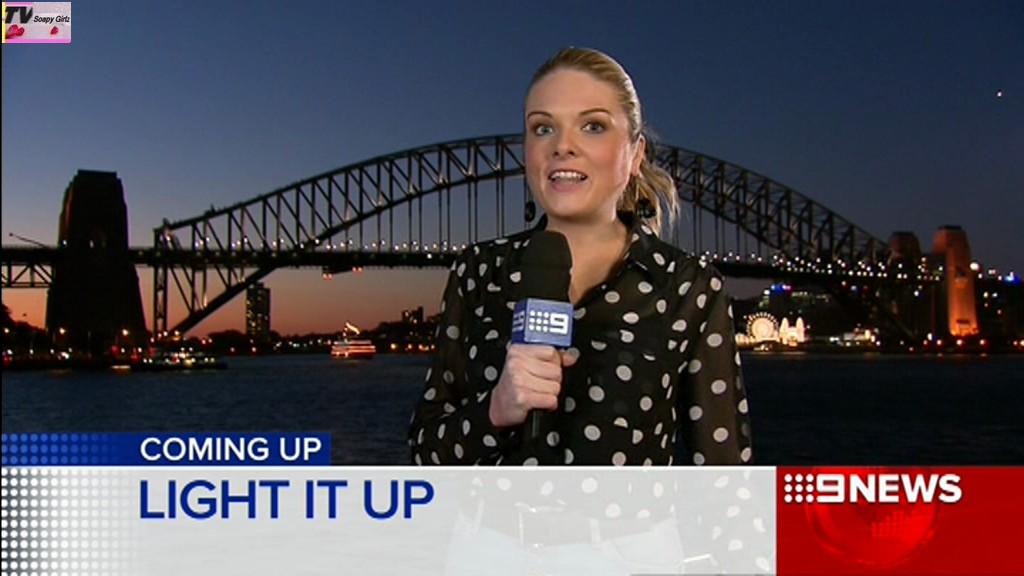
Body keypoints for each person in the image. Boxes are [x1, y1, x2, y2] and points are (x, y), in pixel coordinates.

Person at [408, 46, 762, 576]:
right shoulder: (480, 272)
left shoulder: (686, 286)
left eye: (592, 126)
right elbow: (425, 455)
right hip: (486, 552)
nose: (562, 146)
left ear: (635, 153)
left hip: (629, 559)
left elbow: (724, 481)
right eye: (543, 128)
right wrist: (497, 409)